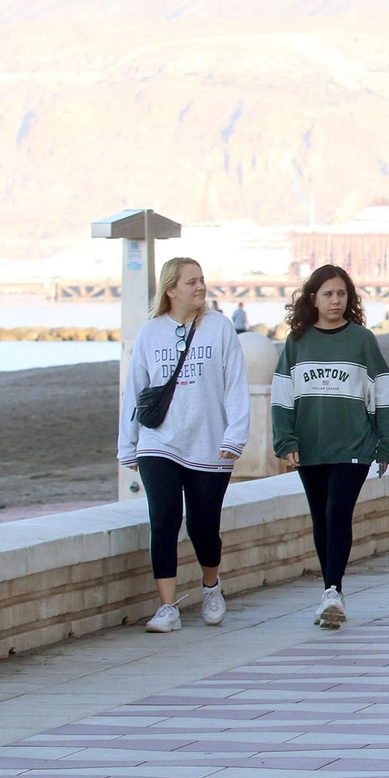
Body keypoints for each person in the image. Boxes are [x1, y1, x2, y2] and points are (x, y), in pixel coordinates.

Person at [118, 257, 249, 634]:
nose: (200, 287)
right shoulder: (150, 333)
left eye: (202, 280)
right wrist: (128, 444)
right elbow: (135, 393)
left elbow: (236, 386)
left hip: (209, 443)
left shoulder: (220, 329)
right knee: (163, 519)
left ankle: (211, 587)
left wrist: (234, 436)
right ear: (170, 289)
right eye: (191, 282)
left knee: (203, 527)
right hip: (158, 441)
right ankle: (167, 607)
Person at [272, 265, 389, 631]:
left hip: (354, 445)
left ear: (350, 298)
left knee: (337, 512)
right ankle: (330, 589)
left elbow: (384, 393)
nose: (335, 301)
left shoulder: (362, 340)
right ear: (313, 298)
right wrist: (286, 440)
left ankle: (333, 589)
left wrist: (385, 444)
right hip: (311, 446)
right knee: (320, 516)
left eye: (341, 294)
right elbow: (282, 395)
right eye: (328, 294)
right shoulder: (296, 342)